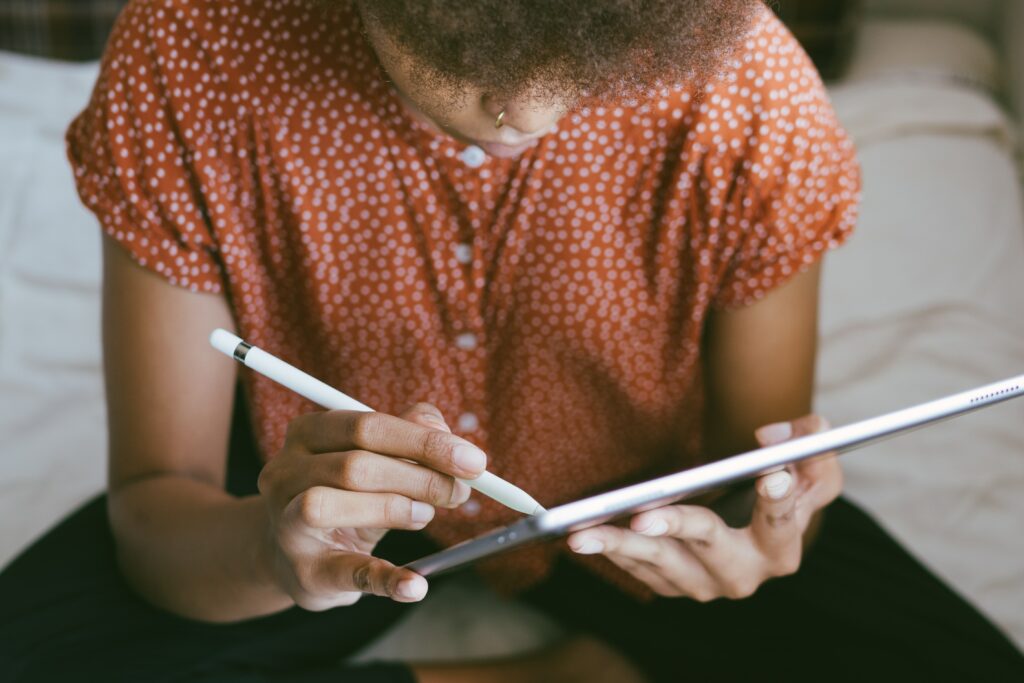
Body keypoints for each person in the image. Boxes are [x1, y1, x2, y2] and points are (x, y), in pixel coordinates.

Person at [2, 0, 1023, 680]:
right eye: (455, 49)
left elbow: (744, 469)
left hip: (642, 502)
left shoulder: (745, 86)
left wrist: (753, 543)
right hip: (312, 488)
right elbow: (156, 507)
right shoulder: (193, 49)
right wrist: (272, 553)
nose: (524, 111)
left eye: (588, 65)